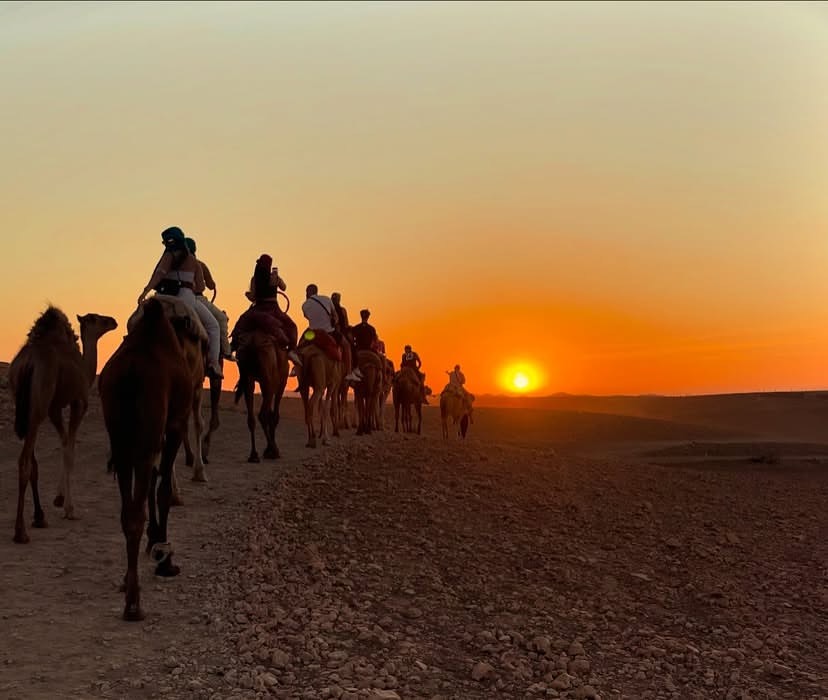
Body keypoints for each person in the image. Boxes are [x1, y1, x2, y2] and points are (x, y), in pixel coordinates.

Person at [137, 226, 223, 379]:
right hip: (186, 299)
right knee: (214, 326)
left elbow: (158, 275)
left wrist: (145, 291)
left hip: (162, 298)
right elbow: (201, 287)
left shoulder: (167, 256)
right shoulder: (194, 261)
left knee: (136, 322)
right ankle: (213, 364)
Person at [231, 254, 301, 368]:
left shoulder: (255, 279)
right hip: (273, 309)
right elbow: (284, 287)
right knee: (292, 326)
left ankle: (232, 345)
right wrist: (277, 279)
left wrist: (248, 295)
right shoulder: (274, 277)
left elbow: (253, 297)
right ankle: (292, 350)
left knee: (241, 323)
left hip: (257, 308)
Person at [184, 237, 233, 361]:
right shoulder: (199, 264)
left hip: (176, 299)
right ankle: (225, 352)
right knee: (221, 319)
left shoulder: (172, 263)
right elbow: (210, 286)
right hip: (197, 299)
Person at [301, 284, 361, 381]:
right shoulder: (327, 300)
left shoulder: (304, 305)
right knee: (346, 345)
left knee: (302, 342)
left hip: (312, 333)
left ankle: (296, 367)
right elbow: (336, 317)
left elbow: (308, 317)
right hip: (329, 332)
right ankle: (350, 372)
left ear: (307, 292)